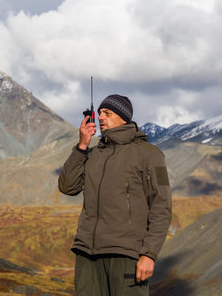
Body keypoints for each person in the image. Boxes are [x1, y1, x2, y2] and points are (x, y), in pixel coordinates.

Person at [58, 94, 172, 296]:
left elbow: (161, 206)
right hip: (87, 254)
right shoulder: (92, 155)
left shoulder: (150, 154)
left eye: (107, 113)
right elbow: (67, 186)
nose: (100, 117)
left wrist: (149, 254)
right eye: (99, 113)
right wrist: (82, 146)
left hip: (126, 255)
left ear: (123, 118)